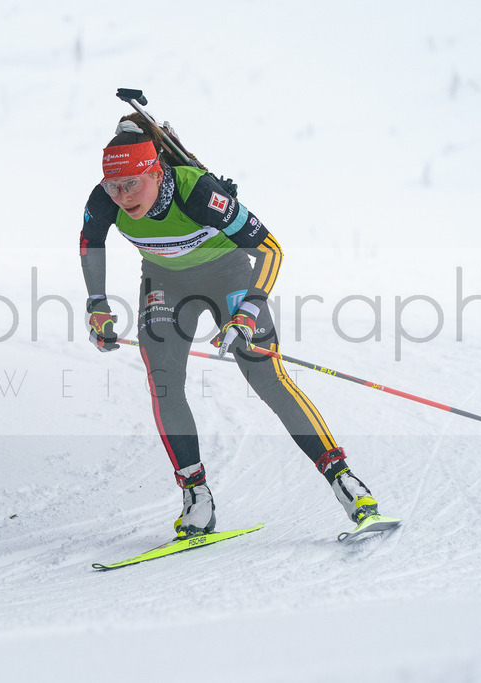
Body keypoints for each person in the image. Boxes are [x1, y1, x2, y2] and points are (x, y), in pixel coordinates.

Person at [80, 113, 381, 538]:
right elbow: (90, 243)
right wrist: (97, 304)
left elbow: (270, 249)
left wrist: (248, 310)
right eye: (114, 185)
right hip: (166, 282)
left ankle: (345, 482)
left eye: (132, 182)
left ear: (155, 170)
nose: (123, 195)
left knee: (266, 377)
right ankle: (196, 497)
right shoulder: (105, 198)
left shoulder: (198, 192)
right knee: (163, 382)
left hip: (230, 275)